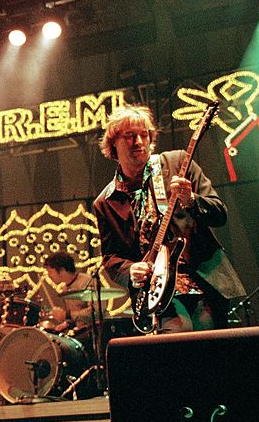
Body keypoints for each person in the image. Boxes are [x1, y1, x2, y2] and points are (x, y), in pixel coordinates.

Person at [93, 104, 245, 332]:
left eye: (144, 134)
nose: (138, 142)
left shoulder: (178, 163)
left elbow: (219, 213)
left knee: (211, 344)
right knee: (177, 335)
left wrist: (191, 200)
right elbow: (111, 258)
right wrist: (130, 271)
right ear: (113, 142)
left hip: (202, 280)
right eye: (129, 136)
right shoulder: (105, 202)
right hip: (159, 290)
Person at [41, 252, 96, 333]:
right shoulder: (65, 288)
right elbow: (75, 318)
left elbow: (96, 312)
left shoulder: (88, 281)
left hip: (95, 331)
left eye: (50, 272)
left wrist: (67, 315)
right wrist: (66, 323)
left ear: (62, 270)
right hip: (80, 332)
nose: (49, 275)